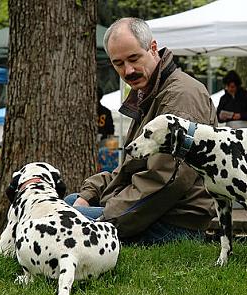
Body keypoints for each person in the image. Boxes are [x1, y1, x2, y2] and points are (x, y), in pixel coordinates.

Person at [66, 17, 217, 245]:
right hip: (152, 213)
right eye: (118, 63)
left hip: (175, 224)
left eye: (133, 58)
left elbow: (166, 181)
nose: (128, 70)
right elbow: (128, 169)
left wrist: (107, 218)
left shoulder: (179, 98)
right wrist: (90, 194)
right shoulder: (148, 93)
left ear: (153, 48)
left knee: (59, 222)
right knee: (70, 202)